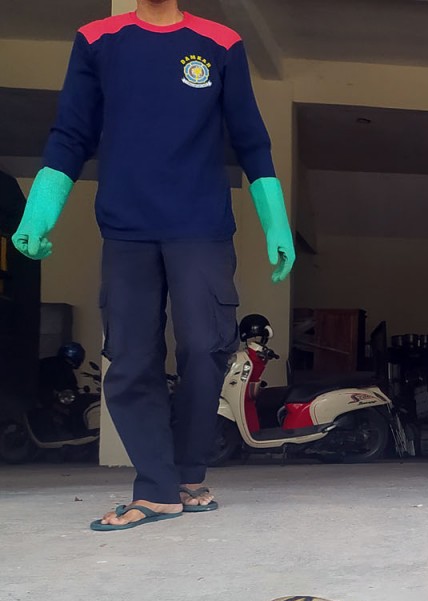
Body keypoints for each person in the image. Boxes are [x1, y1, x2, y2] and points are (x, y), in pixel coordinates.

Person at [12, 0, 295, 530]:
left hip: (201, 227)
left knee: (204, 346)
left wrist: (274, 222)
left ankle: (188, 474)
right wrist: (40, 212)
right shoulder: (98, 40)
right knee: (130, 357)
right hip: (126, 229)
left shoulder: (221, 43)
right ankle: (157, 488)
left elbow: (251, 139)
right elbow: (71, 133)